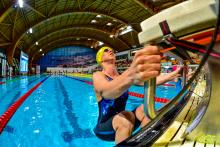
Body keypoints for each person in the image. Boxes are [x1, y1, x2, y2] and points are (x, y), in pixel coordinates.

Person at [93, 46, 181, 144]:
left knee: (145, 109)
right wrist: (131, 74)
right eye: (106, 50)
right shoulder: (98, 75)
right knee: (126, 117)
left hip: (124, 120)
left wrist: (172, 74)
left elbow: (147, 81)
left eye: (112, 50)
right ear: (100, 58)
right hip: (104, 127)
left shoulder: (121, 76)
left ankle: (145, 142)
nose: (110, 51)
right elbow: (106, 92)